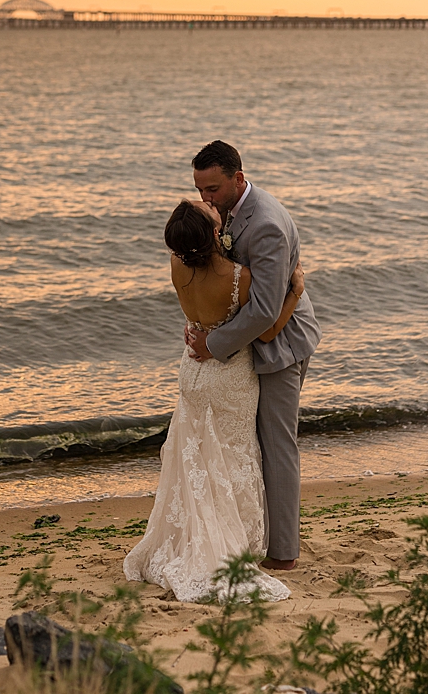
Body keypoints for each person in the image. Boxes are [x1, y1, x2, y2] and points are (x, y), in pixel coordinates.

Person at [124, 198, 305, 602]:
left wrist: (201, 334)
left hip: (191, 371)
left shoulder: (176, 265)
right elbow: (267, 331)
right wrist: (295, 292)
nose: (211, 207)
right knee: (234, 454)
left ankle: (191, 533)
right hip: (229, 376)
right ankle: (235, 541)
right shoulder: (239, 276)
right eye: (208, 213)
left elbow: (195, 317)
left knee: (199, 457)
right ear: (211, 235)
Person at [184, 140, 319, 570]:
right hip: (250, 345)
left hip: (281, 346)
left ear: (237, 179)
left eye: (214, 189)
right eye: (200, 190)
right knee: (250, 443)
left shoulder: (265, 225)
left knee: (277, 445)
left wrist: (213, 344)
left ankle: (283, 553)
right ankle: (254, 536)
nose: (207, 199)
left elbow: (264, 308)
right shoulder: (226, 212)